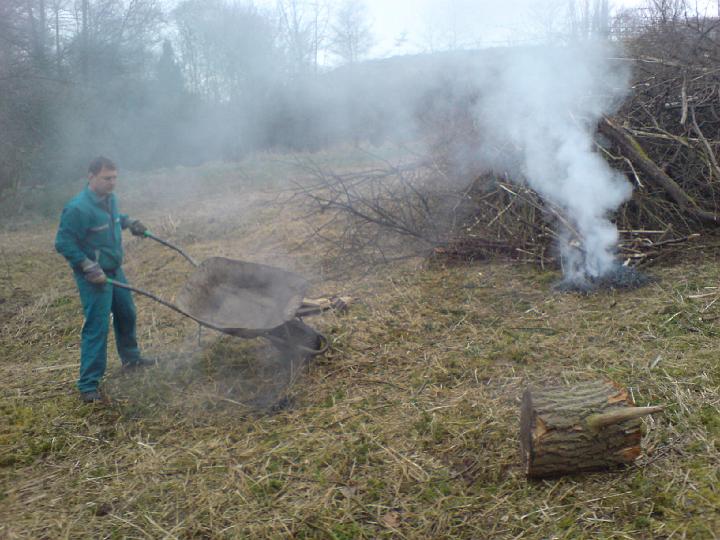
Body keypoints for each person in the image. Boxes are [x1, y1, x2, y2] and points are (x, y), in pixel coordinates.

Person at [55, 156, 154, 403]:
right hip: (94, 276)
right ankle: (88, 385)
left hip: (113, 269)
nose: (112, 183)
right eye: (106, 178)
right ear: (91, 177)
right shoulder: (77, 208)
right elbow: (63, 242)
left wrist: (129, 222)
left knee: (127, 313)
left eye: (115, 178)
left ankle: (131, 359)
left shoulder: (110, 199)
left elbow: (112, 219)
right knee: (97, 327)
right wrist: (87, 265)